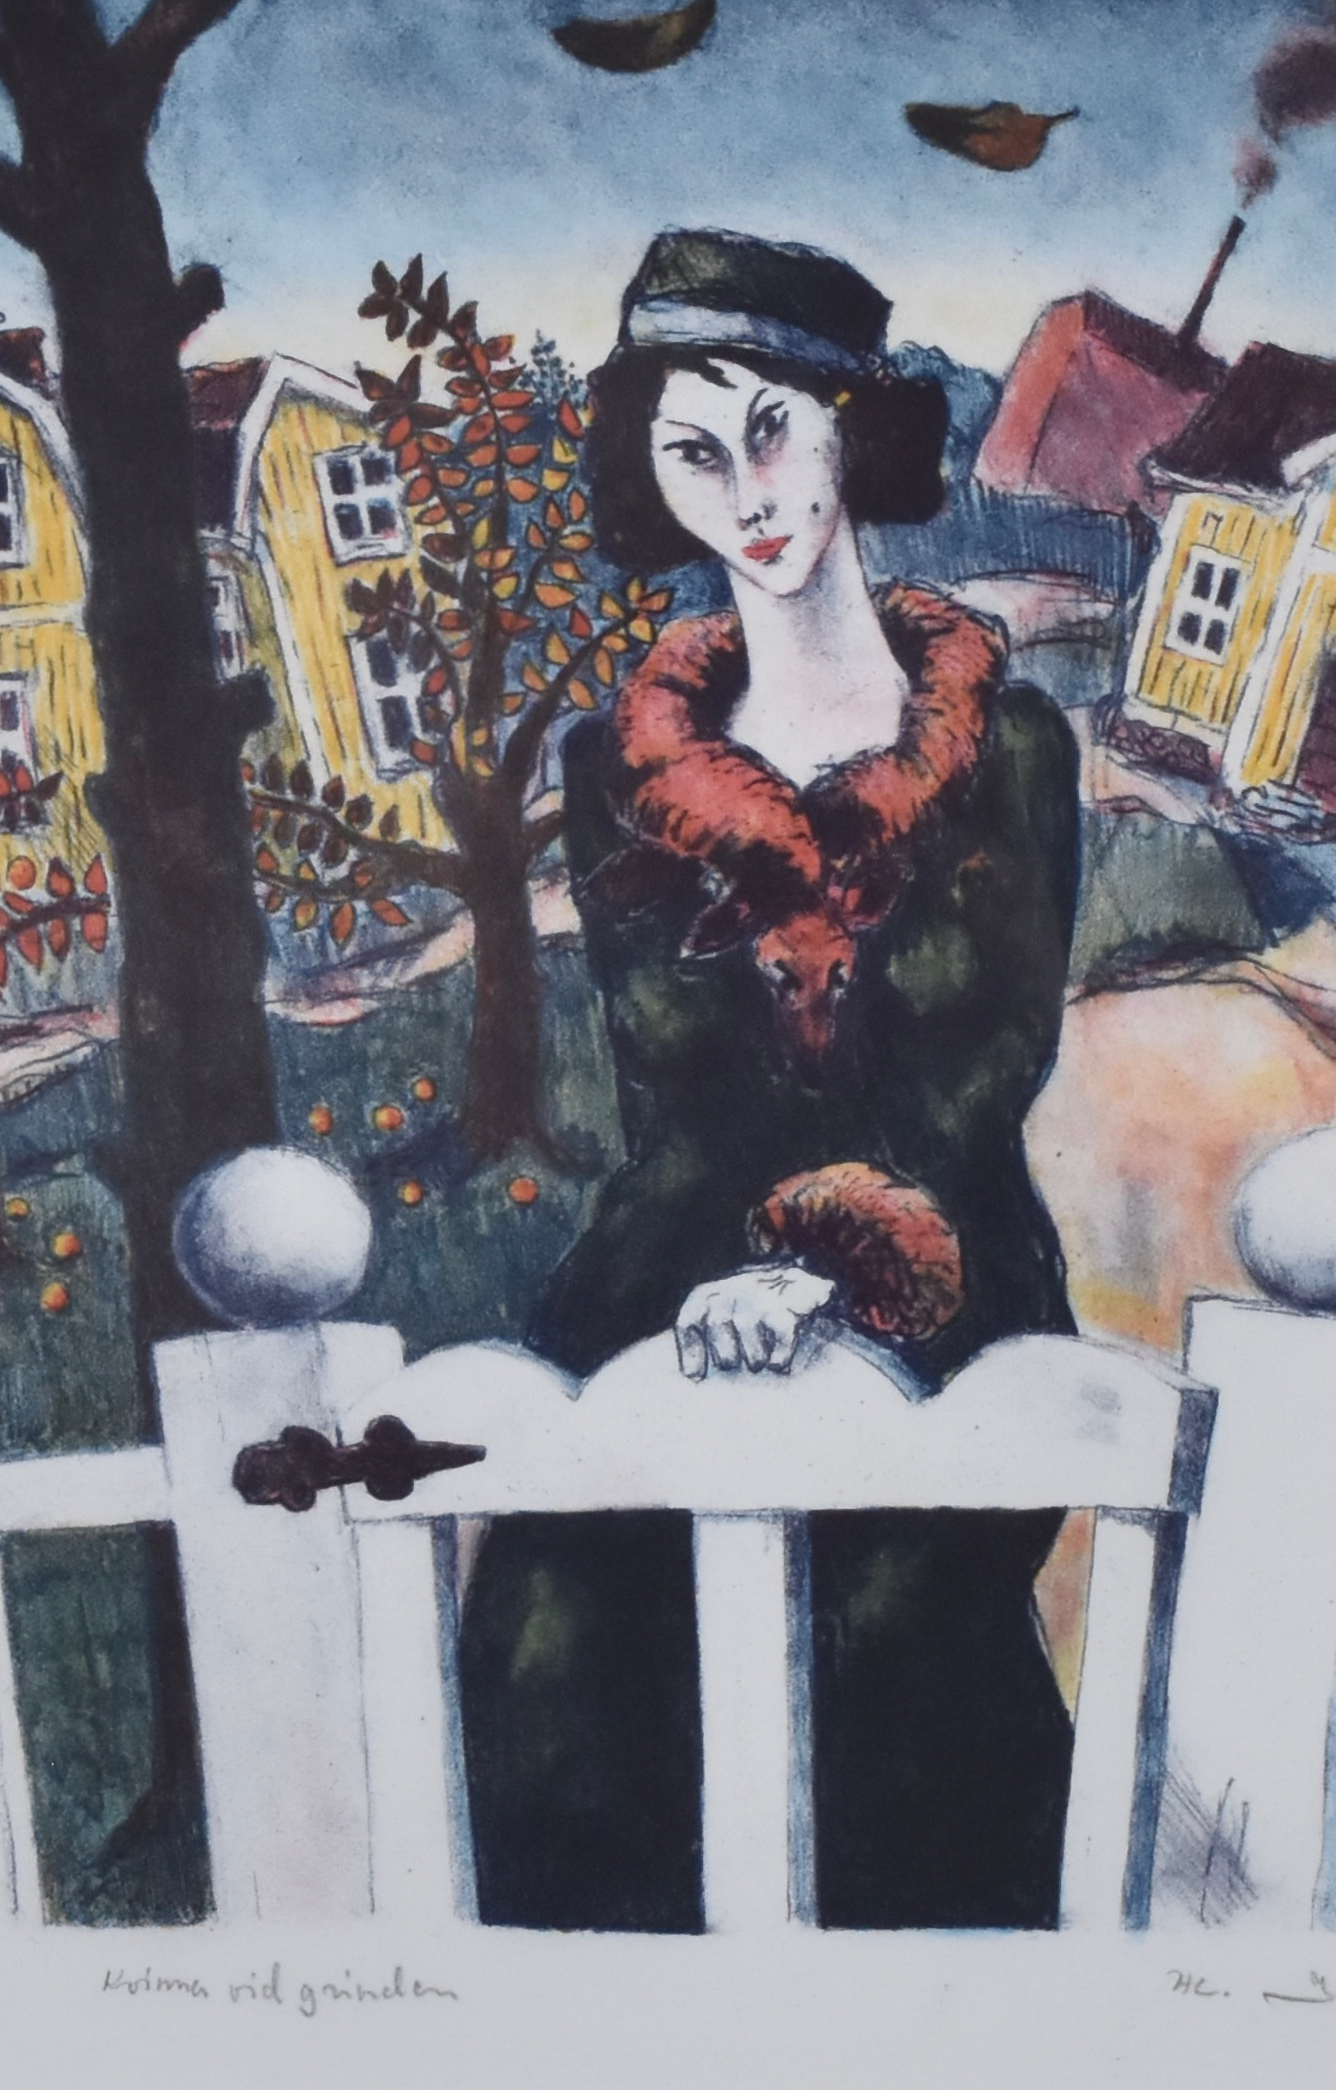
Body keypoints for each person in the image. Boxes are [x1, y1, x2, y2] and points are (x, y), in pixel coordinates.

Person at [453, 228, 1083, 1934]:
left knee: (889, 1647)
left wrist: (836, 1254)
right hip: (672, 1261)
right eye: (691, 450)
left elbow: (989, 1059)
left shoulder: (1013, 749)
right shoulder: (614, 769)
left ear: (850, 429)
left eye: (770, 430)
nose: (745, 493)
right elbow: (670, 1079)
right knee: (561, 1642)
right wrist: (733, 1265)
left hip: (945, 1253)